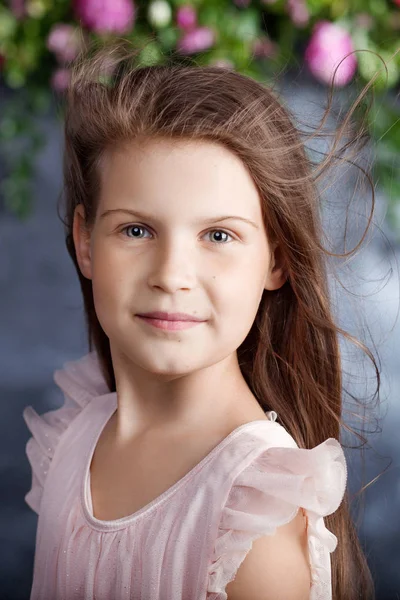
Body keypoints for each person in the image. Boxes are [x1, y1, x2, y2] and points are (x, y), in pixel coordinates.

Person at [23, 38, 377, 600]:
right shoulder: (71, 441)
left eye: (218, 235)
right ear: (85, 241)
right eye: (136, 230)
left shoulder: (254, 524)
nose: (172, 274)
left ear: (277, 260)